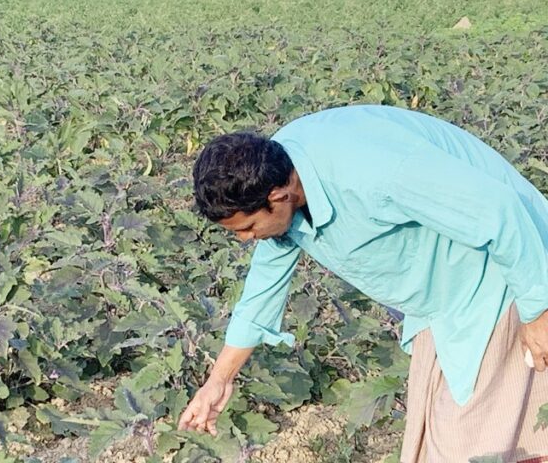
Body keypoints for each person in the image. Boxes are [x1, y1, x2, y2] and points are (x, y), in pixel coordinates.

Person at [178, 104, 548, 462]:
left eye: (247, 228)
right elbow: (263, 286)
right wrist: (219, 380)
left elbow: (499, 209)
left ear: (278, 197)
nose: (245, 240)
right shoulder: (280, 170)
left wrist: (538, 308)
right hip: (442, 297)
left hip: (505, 272)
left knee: (469, 443)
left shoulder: (375, 173)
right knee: (437, 435)